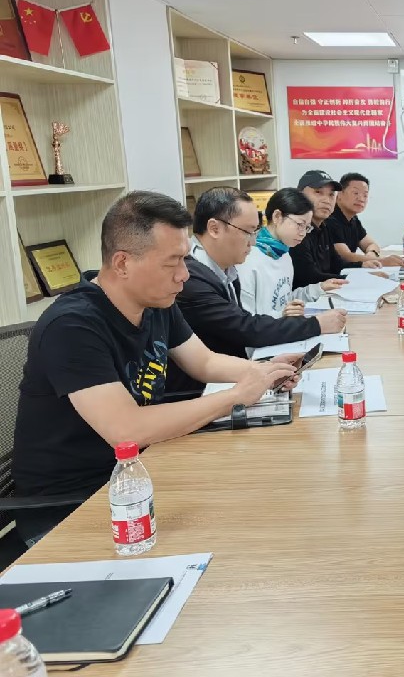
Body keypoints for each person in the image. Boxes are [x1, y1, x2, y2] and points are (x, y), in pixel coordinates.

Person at [12, 192, 298, 543]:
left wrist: (263, 371)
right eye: (171, 263)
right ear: (122, 263)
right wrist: (236, 396)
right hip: (77, 506)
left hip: (142, 472)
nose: (184, 275)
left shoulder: (155, 302)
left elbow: (204, 361)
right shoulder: (72, 326)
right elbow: (126, 430)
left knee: (264, 497)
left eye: (184, 259)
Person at [171, 188, 346, 394]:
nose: (253, 241)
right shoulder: (191, 279)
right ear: (214, 228)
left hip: (226, 378)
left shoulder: (225, 269)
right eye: (247, 232)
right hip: (202, 392)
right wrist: (315, 325)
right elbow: (245, 328)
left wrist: (264, 368)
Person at [238, 187, 348, 318]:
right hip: (268, 329)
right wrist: (281, 315)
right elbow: (244, 320)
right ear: (277, 216)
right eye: (300, 224)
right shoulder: (248, 259)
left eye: (307, 227)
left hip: (283, 327)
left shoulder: (284, 254)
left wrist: (319, 288)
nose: (303, 233)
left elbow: (285, 300)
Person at [291, 170, 359, 287]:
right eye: (318, 192)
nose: (327, 200)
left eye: (331, 195)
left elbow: (337, 264)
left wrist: (364, 266)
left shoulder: (324, 227)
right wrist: (354, 280)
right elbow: (309, 277)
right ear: (299, 195)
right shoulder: (296, 230)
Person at [327, 173, 404, 268]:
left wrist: (371, 254)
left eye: (365, 195)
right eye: (355, 193)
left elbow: (371, 244)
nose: (361, 199)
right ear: (339, 194)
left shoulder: (353, 219)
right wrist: (381, 261)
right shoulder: (330, 218)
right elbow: (345, 256)